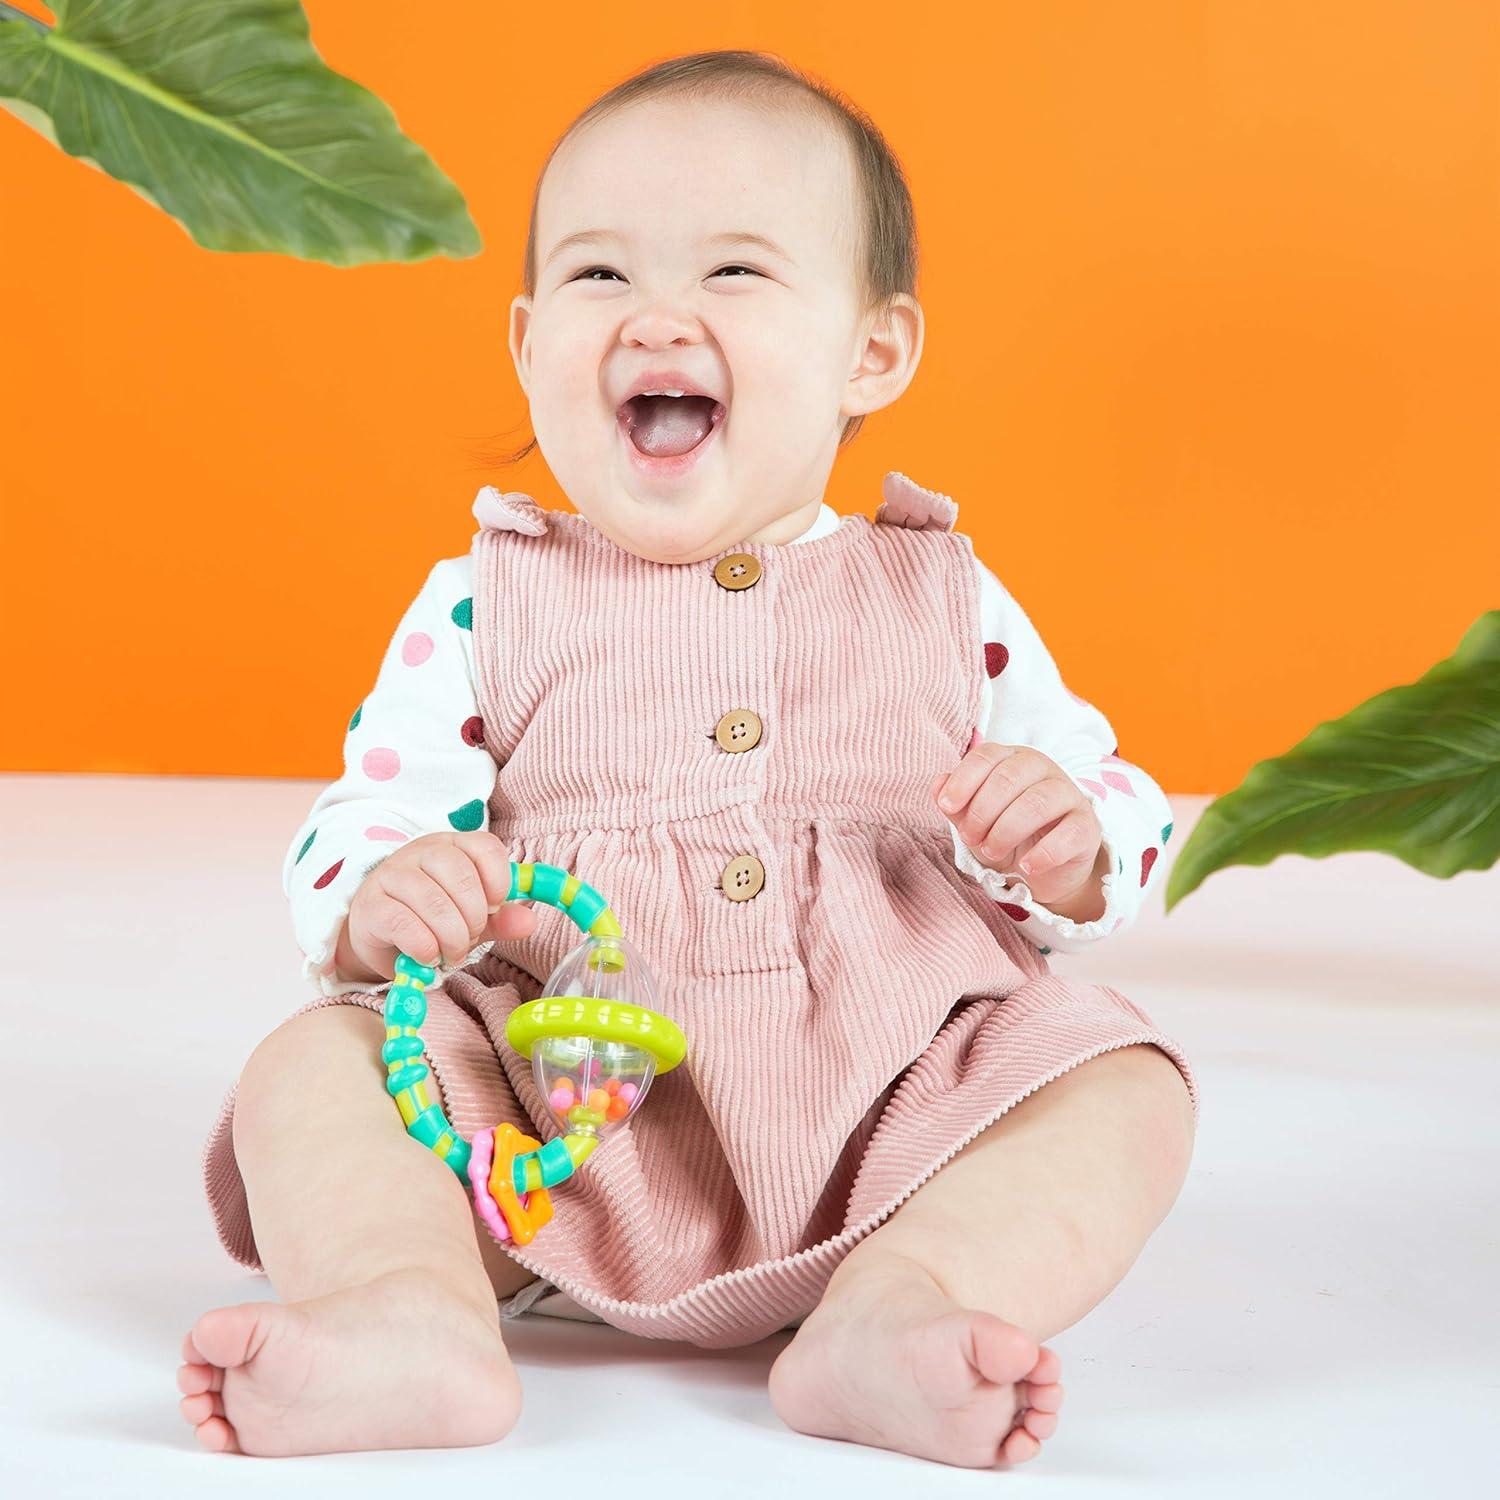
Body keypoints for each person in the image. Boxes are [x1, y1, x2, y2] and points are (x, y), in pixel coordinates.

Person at [180, 48, 1198, 1468]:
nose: (656, 316)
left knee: (1124, 1080)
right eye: (600, 275)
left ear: (872, 351)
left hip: (897, 1128)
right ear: (527, 342)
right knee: (317, 1062)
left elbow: (1117, 814)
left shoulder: (942, 595)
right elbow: (368, 818)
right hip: (550, 1125)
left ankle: (903, 1303)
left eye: (733, 272)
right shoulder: (486, 599)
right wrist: (386, 895)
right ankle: (408, 1307)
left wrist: (1065, 838)